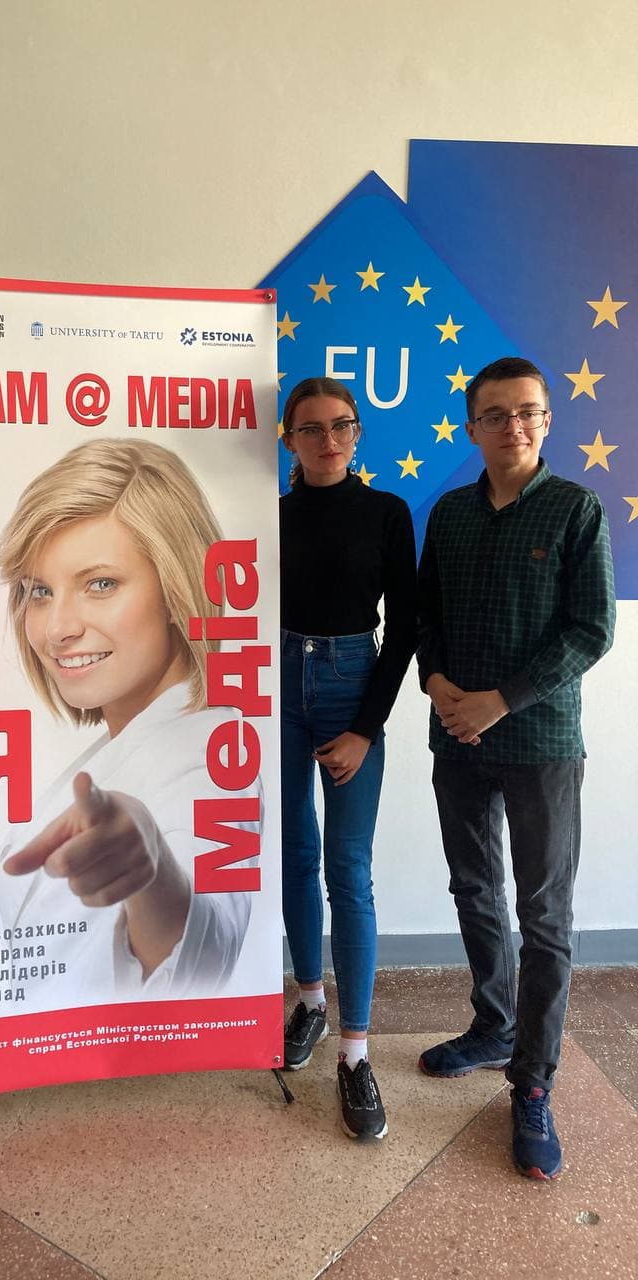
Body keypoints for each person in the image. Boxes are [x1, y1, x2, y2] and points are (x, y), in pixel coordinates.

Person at [417, 355, 615, 1180]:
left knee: (543, 913)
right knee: (473, 889)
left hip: (541, 746)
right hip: (457, 739)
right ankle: (492, 1026)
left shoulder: (576, 509)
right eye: (495, 414)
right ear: (473, 427)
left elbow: (591, 630)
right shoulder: (450, 513)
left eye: (527, 412)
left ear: (547, 420)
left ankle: (532, 1082)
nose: (513, 426)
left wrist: (503, 700)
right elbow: (423, 614)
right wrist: (435, 681)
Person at [0, 438, 259, 1007]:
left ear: (178, 588)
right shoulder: (119, 746)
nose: (57, 628)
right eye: (39, 591)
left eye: (100, 584)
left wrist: (153, 871)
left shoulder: (209, 754)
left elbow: (205, 953)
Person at [279, 376, 417, 1141]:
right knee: (294, 854)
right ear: (289, 439)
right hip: (275, 684)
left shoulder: (387, 513)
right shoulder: (269, 515)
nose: (328, 440)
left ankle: (355, 1055)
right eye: (312, 428)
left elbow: (406, 629)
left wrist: (366, 727)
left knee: (348, 870)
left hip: (349, 684)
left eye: (342, 426)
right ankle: (309, 1002)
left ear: (357, 433)